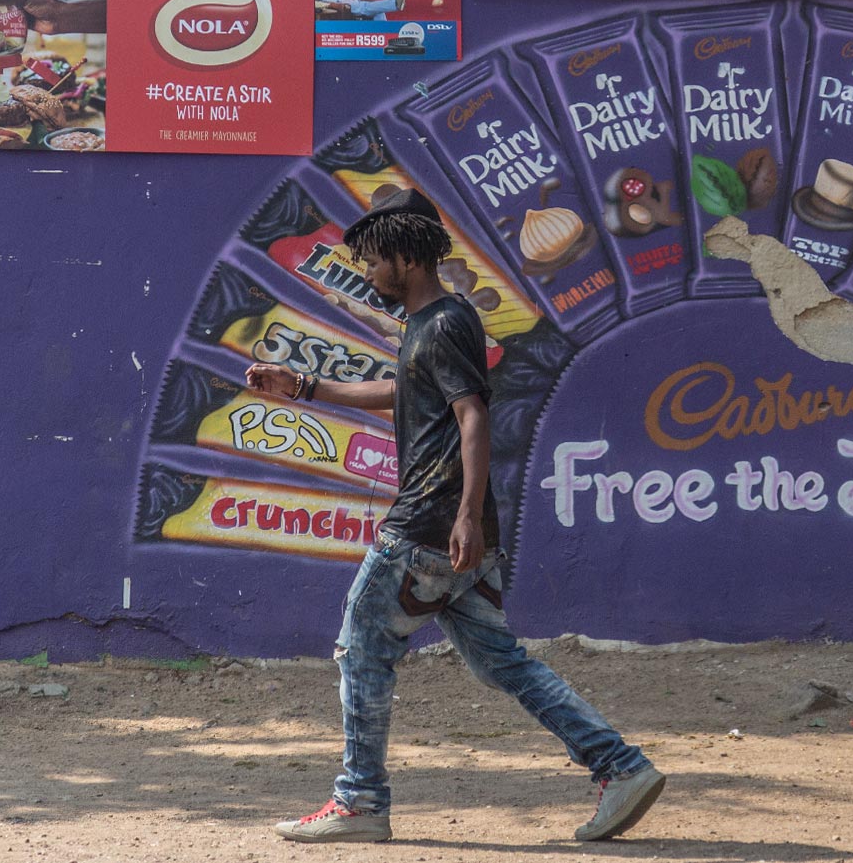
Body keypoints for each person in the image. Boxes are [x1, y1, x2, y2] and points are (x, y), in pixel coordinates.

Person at [246, 189, 665, 845]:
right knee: (502, 661)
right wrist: (303, 388)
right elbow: (405, 388)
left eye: (375, 260)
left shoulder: (442, 322)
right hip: (458, 530)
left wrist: (465, 515)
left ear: (407, 258)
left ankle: (359, 801)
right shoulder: (433, 324)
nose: (367, 272)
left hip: (429, 524)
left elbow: (472, 415)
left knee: (362, 645)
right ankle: (622, 766)